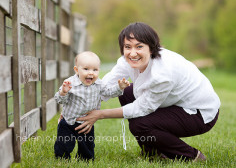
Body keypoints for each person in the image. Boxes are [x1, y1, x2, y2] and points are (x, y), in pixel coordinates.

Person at [75, 22, 220, 162]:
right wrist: (77, 106)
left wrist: (100, 114)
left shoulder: (163, 74)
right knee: (126, 93)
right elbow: (105, 86)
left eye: (139, 46)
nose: (132, 53)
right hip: (176, 103)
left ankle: (192, 156)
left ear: (151, 47)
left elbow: (142, 108)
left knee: (140, 125)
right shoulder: (127, 60)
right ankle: (152, 153)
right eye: (127, 47)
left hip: (199, 113)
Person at [54, 51, 130, 161]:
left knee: (87, 146)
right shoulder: (70, 83)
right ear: (76, 70)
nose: (91, 73)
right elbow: (60, 100)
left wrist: (119, 87)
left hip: (87, 122)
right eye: (86, 69)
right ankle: (62, 159)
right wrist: (63, 92)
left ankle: (85, 160)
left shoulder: (99, 84)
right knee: (64, 144)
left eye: (95, 70)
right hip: (68, 121)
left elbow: (108, 92)